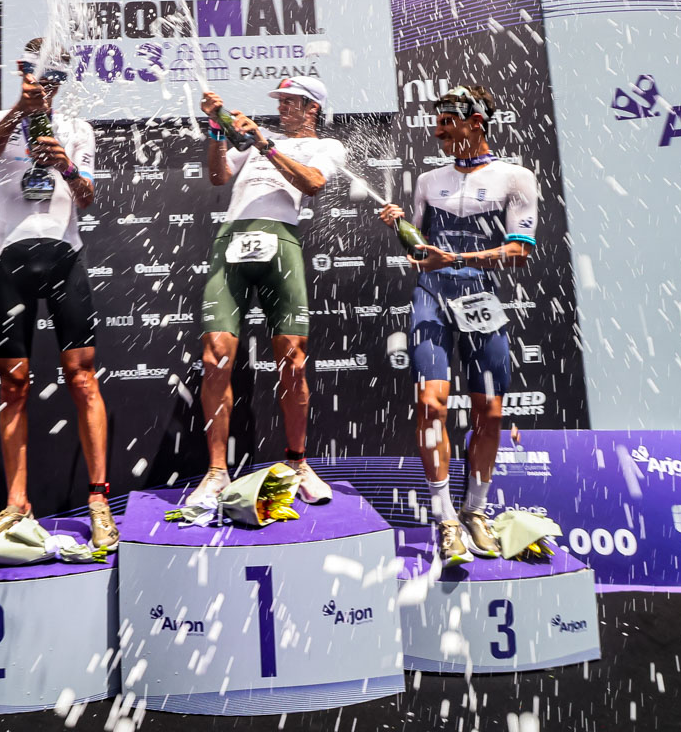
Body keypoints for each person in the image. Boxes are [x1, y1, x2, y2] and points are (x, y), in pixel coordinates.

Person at [378, 84, 537, 564]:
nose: (438, 131)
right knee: (430, 405)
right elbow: (420, 252)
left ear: (477, 122)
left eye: (447, 122)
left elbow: (520, 252)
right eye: (437, 122)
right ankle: (445, 517)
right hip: (431, 297)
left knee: (490, 412)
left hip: (480, 297)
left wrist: (459, 258)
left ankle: (475, 510)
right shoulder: (429, 180)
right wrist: (401, 227)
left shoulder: (516, 177)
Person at [0, 39, 117, 551]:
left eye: (56, 76)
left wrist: (67, 166)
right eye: (38, 73)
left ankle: (98, 500)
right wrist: (21, 110)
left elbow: (87, 197)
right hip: (11, 261)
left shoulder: (77, 129)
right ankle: (16, 504)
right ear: (22, 71)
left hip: (64, 258)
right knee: (13, 387)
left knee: (83, 378)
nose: (47, 83)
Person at [187, 76, 347, 507]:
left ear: (313, 108)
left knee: (292, 360)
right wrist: (217, 131)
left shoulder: (326, 146)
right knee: (215, 356)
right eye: (281, 101)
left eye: (291, 102)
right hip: (232, 240)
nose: (282, 108)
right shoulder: (254, 140)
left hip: (281, 242)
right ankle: (216, 472)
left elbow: (312, 183)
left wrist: (265, 144)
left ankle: (298, 463)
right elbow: (218, 175)